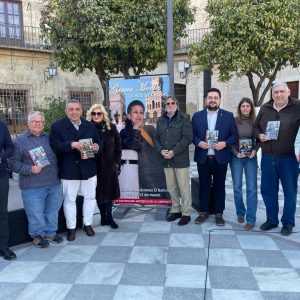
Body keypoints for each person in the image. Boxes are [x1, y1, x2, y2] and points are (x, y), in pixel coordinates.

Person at [10, 111, 63, 248]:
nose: (37, 124)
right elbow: (12, 163)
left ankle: (51, 233)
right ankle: (37, 236)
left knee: (52, 211)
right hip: (32, 185)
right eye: (34, 121)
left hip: (53, 183)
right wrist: (30, 169)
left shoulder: (50, 138)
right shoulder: (19, 141)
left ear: (44, 124)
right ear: (28, 123)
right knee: (35, 213)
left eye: (40, 122)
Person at [49, 99, 101, 241]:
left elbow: (99, 143)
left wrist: (97, 147)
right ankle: (71, 228)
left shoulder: (90, 126)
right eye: (71, 109)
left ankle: (88, 224)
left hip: (88, 169)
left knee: (90, 198)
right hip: (69, 170)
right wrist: (71, 144)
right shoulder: (57, 126)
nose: (74, 112)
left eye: (77, 109)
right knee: (69, 200)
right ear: (66, 111)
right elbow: (55, 147)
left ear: (81, 111)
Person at [253, 80, 300, 236]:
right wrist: (259, 135)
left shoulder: (298, 107)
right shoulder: (265, 108)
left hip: (289, 159)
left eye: (281, 91)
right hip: (268, 157)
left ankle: (288, 223)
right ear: (272, 94)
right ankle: (271, 220)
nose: (278, 94)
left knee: (289, 191)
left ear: (288, 92)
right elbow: (255, 127)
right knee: (268, 191)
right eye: (275, 92)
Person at [192, 88, 238, 226]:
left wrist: (225, 143)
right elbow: (192, 134)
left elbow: (234, 135)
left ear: (220, 100)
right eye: (210, 97)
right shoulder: (197, 116)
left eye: (215, 97)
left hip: (220, 158)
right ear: (206, 99)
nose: (213, 100)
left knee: (219, 186)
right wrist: (199, 142)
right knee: (204, 186)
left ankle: (219, 213)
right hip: (203, 157)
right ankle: (203, 212)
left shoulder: (228, 116)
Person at [153, 96, 193, 226]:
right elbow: (156, 138)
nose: (170, 105)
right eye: (168, 103)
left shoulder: (184, 118)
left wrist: (173, 151)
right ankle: (176, 209)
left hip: (180, 159)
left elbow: (187, 138)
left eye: (172, 103)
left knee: (183, 187)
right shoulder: (160, 120)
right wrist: (161, 151)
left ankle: (186, 213)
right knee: (171, 187)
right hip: (166, 159)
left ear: (177, 104)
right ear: (165, 105)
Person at [120, 100, 168, 199]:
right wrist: (136, 130)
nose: (139, 115)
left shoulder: (150, 128)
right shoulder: (124, 132)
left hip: (158, 169)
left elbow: (158, 145)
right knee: (154, 197)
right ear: (129, 115)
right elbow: (134, 145)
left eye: (141, 112)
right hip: (142, 173)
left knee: (163, 197)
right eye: (135, 112)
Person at [87, 104, 122, 229]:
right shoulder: (86, 128)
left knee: (109, 192)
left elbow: (118, 145)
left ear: (103, 115)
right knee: (98, 193)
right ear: (91, 115)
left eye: (99, 113)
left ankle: (110, 217)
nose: (96, 116)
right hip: (93, 167)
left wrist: (117, 161)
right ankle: (103, 217)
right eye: (94, 113)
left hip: (109, 166)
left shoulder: (111, 128)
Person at [230, 98, 259, 230]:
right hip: (237, 157)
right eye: (243, 106)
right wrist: (236, 153)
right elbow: (229, 139)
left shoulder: (256, 122)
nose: (246, 108)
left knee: (252, 188)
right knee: (237, 186)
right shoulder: (234, 121)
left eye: (248, 106)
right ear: (240, 108)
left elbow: (260, 139)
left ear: (251, 108)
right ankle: (240, 213)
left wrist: (255, 150)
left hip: (251, 157)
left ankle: (251, 219)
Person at [0, 120, 16, 260]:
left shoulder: (1, 125)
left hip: (0, 176)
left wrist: (1, 157)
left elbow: (10, 147)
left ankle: (3, 247)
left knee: (2, 213)